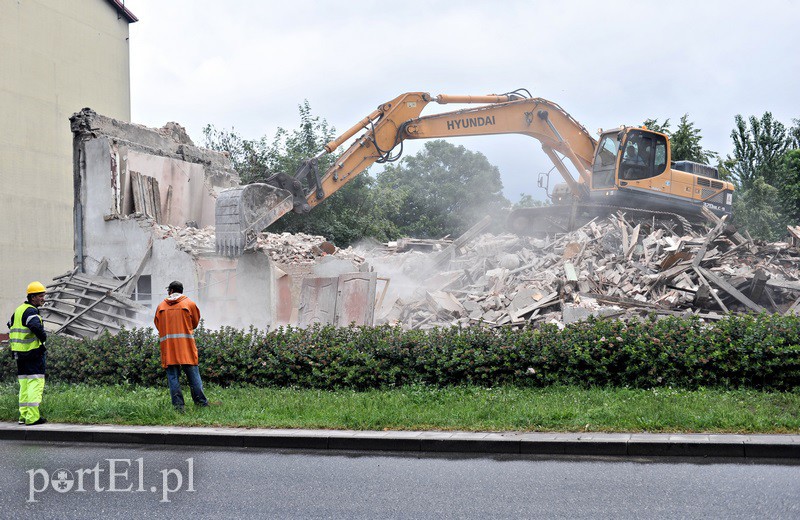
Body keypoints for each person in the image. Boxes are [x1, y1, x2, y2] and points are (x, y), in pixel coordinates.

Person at [154, 281, 208, 411]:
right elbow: (194, 323)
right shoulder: (189, 304)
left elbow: (158, 326)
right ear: (181, 291)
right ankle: (201, 403)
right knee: (193, 376)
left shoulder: (161, 306)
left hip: (169, 349)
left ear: (171, 291)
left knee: (173, 378)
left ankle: (179, 407)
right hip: (186, 348)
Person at [8, 282, 49, 425]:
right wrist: (44, 338)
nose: (43, 299)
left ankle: (23, 416)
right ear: (33, 297)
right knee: (35, 383)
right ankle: (32, 417)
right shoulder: (31, 311)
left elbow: (10, 324)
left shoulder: (19, 310)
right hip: (32, 353)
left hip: (20, 354)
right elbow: (35, 327)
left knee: (24, 385)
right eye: (41, 296)